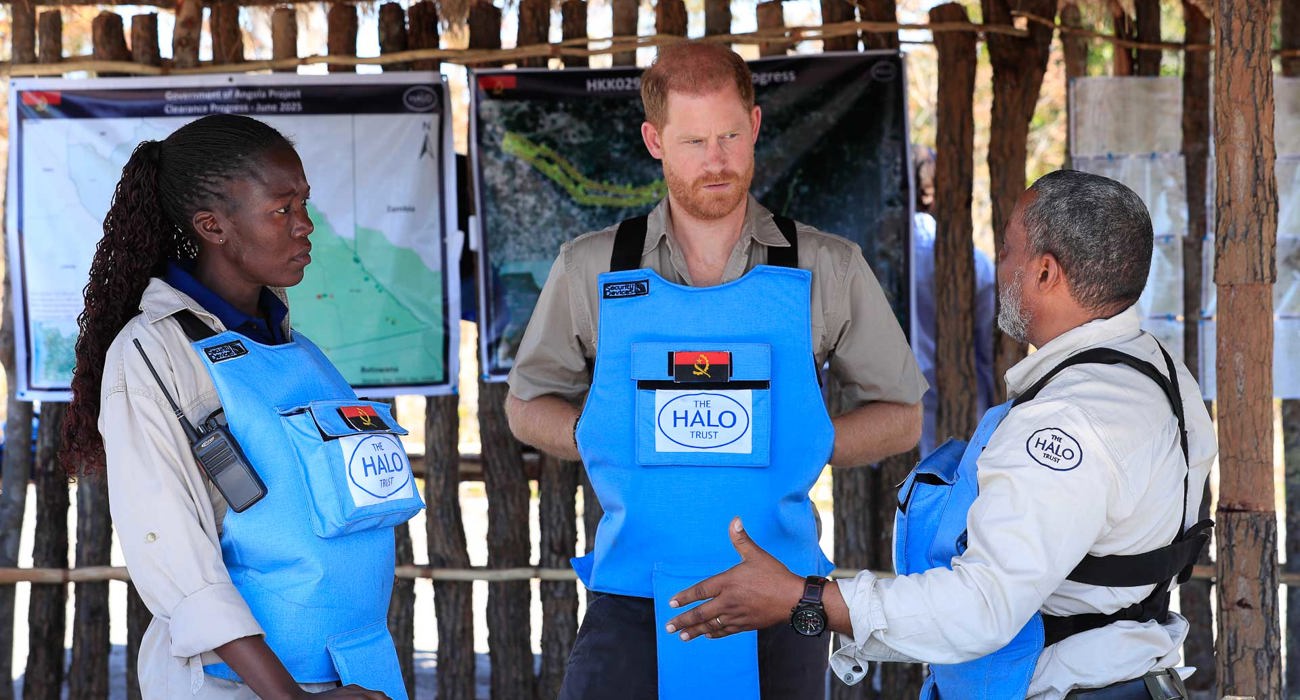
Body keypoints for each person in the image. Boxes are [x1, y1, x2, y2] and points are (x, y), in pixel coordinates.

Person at [664, 170, 1216, 700]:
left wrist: (804, 598)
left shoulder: (1064, 422)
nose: (1000, 265)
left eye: (1008, 250)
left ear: (1046, 273)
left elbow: (981, 608)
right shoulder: (1163, 376)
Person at [504, 42, 926, 699]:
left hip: (779, 594)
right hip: (631, 593)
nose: (717, 160)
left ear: (755, 125)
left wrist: (805, 439)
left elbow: (902, 417)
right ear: (654, 140)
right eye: (694, 141)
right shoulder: (592, 267)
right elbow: (526, 404)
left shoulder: (826, 265)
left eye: (730, 135)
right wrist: (599, 433)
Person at [61, 114, 424, 700]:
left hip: (354, 668)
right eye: (282, 209)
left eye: (304, 203)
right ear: (213, 226)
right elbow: (175, 560)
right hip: (241, 687)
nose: (306, 225)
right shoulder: (154, 352)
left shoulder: (298, 350)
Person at [910, 146, 996, 456]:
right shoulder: (974, 264)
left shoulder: (869, 257)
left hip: (888, 427)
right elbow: (991, 352)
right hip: (962, 428)